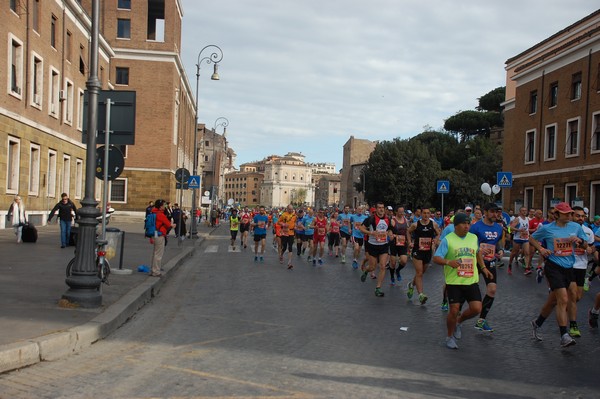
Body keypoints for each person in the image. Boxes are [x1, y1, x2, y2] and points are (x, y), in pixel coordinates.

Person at [529, 202, 588, 347]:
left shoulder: (575, 227)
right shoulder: (548, 228)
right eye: (566, 213)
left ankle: (537, 323)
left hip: (569, 267)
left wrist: (579, 241)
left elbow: (586, 245)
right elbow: (531, 238)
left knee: (553, 301)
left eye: (570, 213)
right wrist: (541, 249)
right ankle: (564, 335)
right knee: (563, 299)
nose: (569, 215)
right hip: (553, 267)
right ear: (557, 215)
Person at [433, 212, 494, 349]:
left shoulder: (473, 238)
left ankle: (459, 322)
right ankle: (449, 337)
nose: (467, 226)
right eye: (464, 224)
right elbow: (436, 258)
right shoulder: (448, 239)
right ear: (456, 226)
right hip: (454, 281)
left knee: (476, 308)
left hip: (471, 279)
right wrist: (449, 262)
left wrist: (483, 268)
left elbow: (477, 252)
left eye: (468, 223)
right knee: (454, 310)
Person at [469, 203, 504, 332]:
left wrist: (500, 251)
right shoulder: (475, 227)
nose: (495, 215)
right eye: (493, 212)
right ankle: (456, 311)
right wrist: (477, 250)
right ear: (485, 212)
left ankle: (481, 320)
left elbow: (497, 242)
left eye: (497, 212)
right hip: (475, 261)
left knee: (492, 289)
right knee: (467, 287)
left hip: (491, 262)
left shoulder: (498, 228)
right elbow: (469, 242)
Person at [406, 208, 440, 305]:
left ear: (430, 214)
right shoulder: (415, 224)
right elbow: (408, 232)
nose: (426, 215)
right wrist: (409, 242)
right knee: (419, 273)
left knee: (421, 272)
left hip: (428, 252)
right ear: (421, 214)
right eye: (424, 213)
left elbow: (438, 233)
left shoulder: (433, 224)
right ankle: (421, 294)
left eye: (428, 213)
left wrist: (435, 242)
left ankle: (412, 285)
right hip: (417, 251)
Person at [359, 202, 392, 297]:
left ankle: (378, 288)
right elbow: (361, 228)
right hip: (372, 245)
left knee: (382, 266)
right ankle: (366, 271)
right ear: (376, 209)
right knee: (372, 267)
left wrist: (390, 234)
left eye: (382, 208)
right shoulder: (371, 219)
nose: (381, 209)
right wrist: (370, 233)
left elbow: (389, 229)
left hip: (383, 245)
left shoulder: (388, 219)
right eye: (379, 208)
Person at [149, 199, 171, 277]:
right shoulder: (160, 214)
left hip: (154, 234)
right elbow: (168, 224)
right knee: (158, 254)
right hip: (159, 234)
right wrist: (173, 225)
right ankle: (156, 271)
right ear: (161, 206)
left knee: (155, 253)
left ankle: (153, 270)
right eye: (164, 205)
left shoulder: (153, 212)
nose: (165, 206)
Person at [389, 206, 410, 285]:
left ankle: (397, 271)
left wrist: (409, 241)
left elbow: (407, 232)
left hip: (402, 243)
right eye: (400, 212)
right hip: (394, 243)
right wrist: (391, 235)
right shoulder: (392, 221)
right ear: (396, 212)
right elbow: (389, 230)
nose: (401, 213)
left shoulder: (406, 221)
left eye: (402, 212)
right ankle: (392, 277)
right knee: (393, 263)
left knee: (404, 261)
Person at [509, 206, 531, 275]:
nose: (524, 212)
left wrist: (528, 234)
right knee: (514, 253)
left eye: (525, 210)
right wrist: (518, 230)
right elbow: (510, 227)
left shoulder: (527, 219)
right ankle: (509, 264)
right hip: (517, 238)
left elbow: (527, 228)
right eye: (523, 211)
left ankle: (527, 268)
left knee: (527, 253)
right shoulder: (517, 219)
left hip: (525, 238)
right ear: (520, 212)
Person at [278, 204, 297, 269]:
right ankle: (281, 255)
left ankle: (289, 262)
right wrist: (283, 224)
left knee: (290, 247)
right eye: (289, 209)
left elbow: (295, 222)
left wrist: (296, 226)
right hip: (285, 233)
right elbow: (278, 222)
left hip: (291, 233)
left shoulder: (294, 215)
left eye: (292, 209)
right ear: (287, 209)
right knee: (284, 247)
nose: (291, 210)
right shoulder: (284, 215)